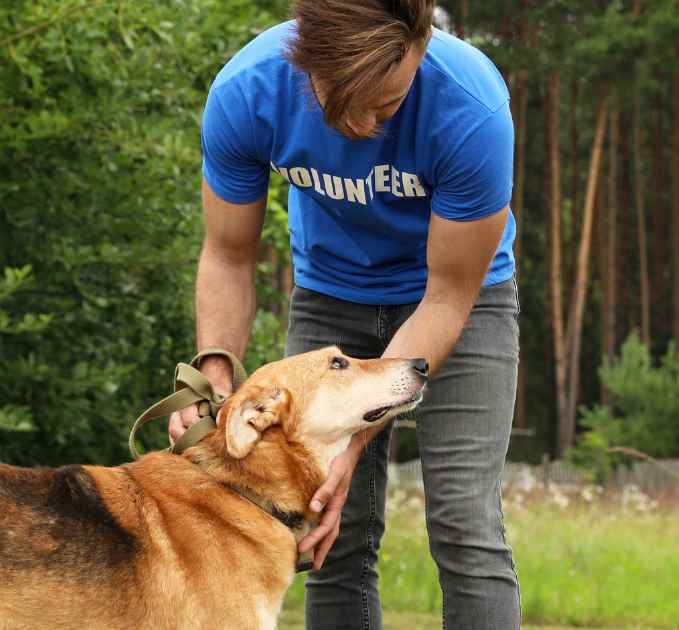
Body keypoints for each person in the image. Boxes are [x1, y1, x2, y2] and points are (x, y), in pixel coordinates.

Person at [167, 1, 521, 628]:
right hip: (332, 292)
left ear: (420, 46)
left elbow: (446, 297)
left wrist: (355, 440)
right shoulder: (248, 93)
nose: (360, 125)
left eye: (384, 106)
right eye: (338, 103)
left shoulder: (471, 107)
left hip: (457, 300)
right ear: (306, 59)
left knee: (464, 520)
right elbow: (227, 254)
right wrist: (214, 378)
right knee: (330, 529)